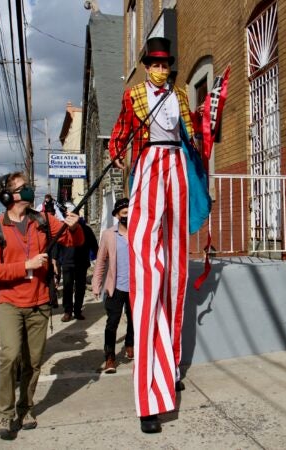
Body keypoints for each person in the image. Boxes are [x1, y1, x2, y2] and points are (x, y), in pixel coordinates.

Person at [109, 36, 204, 433]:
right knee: (148, 279)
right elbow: (119, 136)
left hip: (176, 167)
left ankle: (170, 366)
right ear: (147, 66)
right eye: (156, 64)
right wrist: (118, 152)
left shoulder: (180, 96)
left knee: (176, 275)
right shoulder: (134, 96)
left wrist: (204, 130)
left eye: (167, 65)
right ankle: (149, 397)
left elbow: (194, 135)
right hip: (148, 164)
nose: (162, 70)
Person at [0, 172, 83, 440]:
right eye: (22, 187)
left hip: (39, 302)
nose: (28, 190)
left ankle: (25, 408)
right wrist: (25, 266)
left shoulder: (41, 221)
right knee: (10, 356)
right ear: (8, 196)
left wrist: (74, 227)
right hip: (10, 303)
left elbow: (72, 242)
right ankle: (4, 413)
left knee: (33, 361)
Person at [92, 197, 133, 375]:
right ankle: (110, 356)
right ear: (117, 215)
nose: (128, 216)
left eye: (130, 212)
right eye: (124, 213)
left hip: (136, 287)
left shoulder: (139, 232)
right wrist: (96, 284)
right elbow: (101, 261)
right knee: (112, 323)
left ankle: (130, 345)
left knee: (134, 320)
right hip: (115, 287)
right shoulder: (109, 234)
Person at [53, 203, 99, 322]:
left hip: (82, 263)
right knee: (67, 287)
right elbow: (57, 245)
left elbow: (94, 244)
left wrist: (98, 257)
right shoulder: (62, 228)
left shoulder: (86, 229)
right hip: (67, 263)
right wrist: (54, 261)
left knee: (80, 288)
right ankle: (68, 311)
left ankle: (77, 310)